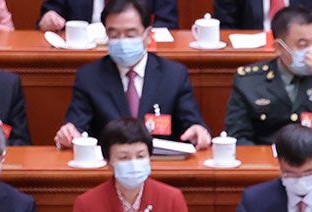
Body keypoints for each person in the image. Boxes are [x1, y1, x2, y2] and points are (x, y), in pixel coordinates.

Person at [54, 0, 210, 152]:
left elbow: (192, 124)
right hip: (110, 168)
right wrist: (69, 133)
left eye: (130, 35)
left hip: (162, 167)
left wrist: (198, 130)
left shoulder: (174, 75)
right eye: (114, 35)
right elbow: (76, 127)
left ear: (148, 35)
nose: (122, 42)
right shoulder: (89, 77)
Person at [225, 5, 312, 143]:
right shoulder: (249, 81)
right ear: (279, 47)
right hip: (268, 162)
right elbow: (238, 137)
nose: (311, 52)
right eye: (302, 44)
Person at [66, 118, 196, 212]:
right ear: (108, 162)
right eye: (123, 157)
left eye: (140, 156)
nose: (133, 163)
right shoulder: (87, 203)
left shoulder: (172, 198)